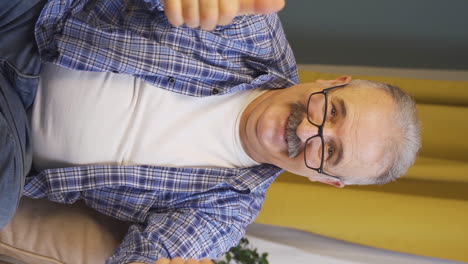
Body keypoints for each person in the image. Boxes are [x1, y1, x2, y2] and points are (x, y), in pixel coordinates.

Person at [0, 0, 421, 264]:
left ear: (325, 179)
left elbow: (152, 255)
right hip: (35, 22)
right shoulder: (252, 30)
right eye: (332, 111)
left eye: (328, 152)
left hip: (13, 131)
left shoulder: (225, 213)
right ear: (334, 81)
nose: (309, 131)